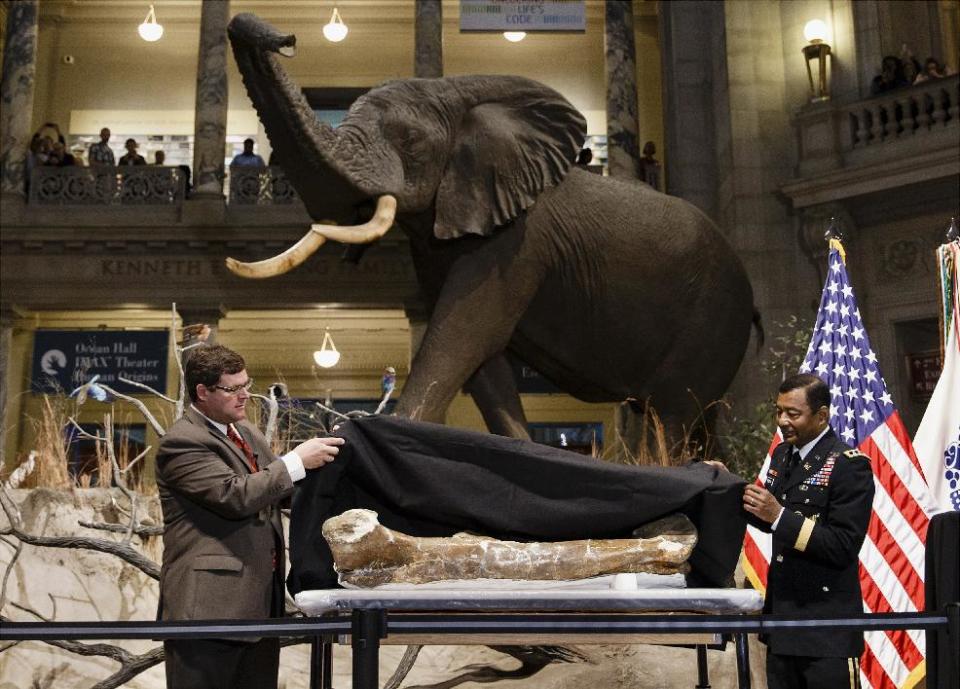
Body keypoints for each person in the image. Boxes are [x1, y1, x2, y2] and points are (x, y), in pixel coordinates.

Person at [156, 344, 345, 689]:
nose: (245, 395)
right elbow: (236, 496)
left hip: (257, 609)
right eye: (233, 388)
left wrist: (333, 478)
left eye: (246, 384)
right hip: (208, 612)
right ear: (202, 392)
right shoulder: (182, 442)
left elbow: (277, 490)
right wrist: (296, 461)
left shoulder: (246, 432)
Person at [743, 373, 874, 689]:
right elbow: (768, 515)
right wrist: (724, 486)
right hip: (784, 623)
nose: (783, 421)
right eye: (779, 411)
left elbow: (842, 545)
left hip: (825, 629)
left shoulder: (848, 464)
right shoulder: (782, 455)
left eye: (793, 413)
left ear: (822, 415)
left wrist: (780, 516)